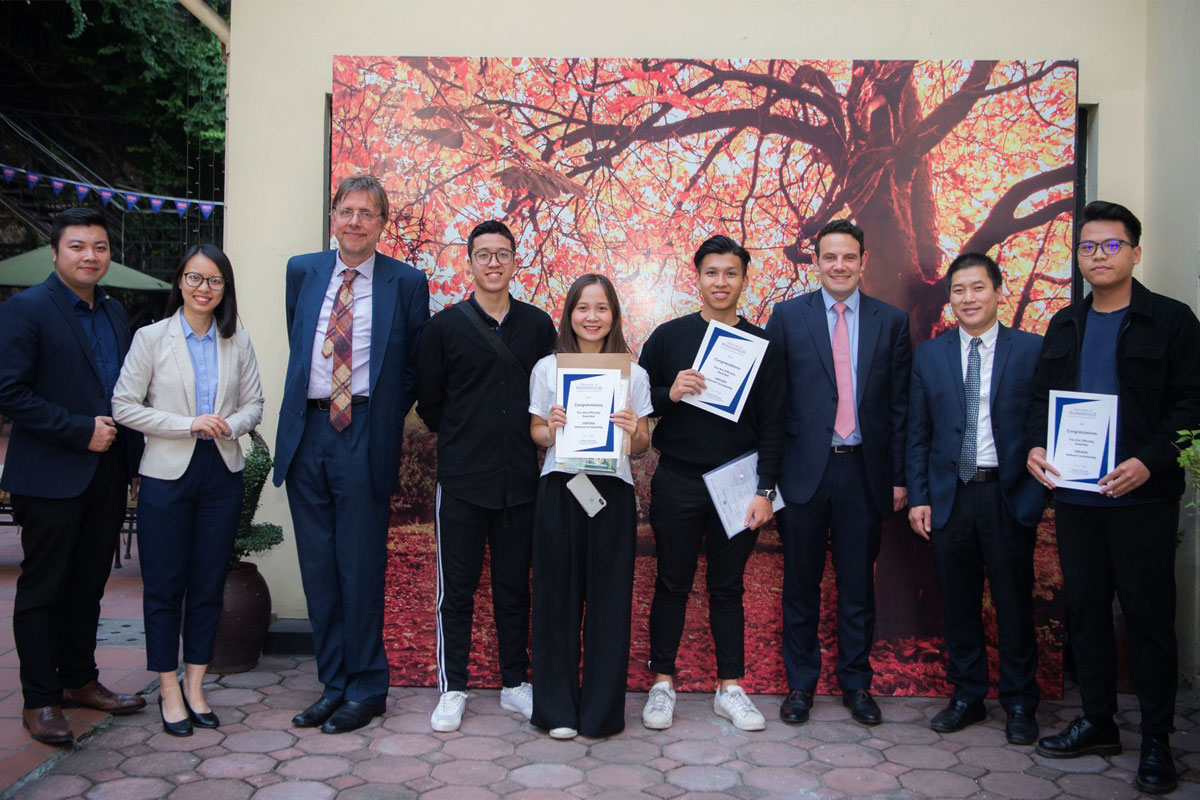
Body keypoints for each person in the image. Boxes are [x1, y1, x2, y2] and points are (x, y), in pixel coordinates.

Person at [1026, 201, 1200, 795]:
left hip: (1142, 502)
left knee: (1149, 617)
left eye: (1110, 245)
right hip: (1075, 500)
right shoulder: (1064, 324)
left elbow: (1192, 407)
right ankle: (1099, 721)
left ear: (1134, 252)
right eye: (1087, 247)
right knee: (1086, 612)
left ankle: (1156, 740)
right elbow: (1037, 406)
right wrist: (1033, 450)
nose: (1098, 256)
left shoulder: (1173, 322)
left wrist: (1147, 464)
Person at [274, 176, 429, 734]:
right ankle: (333, 684)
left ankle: (367, 687)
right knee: (318, 568)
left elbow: (413, 364)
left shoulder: (406, 282)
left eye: (368, 213)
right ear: (333, 217)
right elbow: (298, 341)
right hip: (306, 433)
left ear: (383, 224)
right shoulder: (302, 271)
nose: (356, 221)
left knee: (359, 567)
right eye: (347, 211)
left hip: (364, 430)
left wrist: (382, 416)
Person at [0, 207, 147, 744]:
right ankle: (40, 699)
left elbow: (125, 397)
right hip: (49, 475)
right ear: (56, 252)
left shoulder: (112, 313)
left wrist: (132, 465)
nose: (91, 256)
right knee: (44, 589)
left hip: (106, 472)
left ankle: (79, 680)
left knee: (89, 585)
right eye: (79, 246)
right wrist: (77, 430)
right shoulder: (26, 310)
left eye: (100, 247)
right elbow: (9, 392)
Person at [112, 245, 264, 737]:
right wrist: (186, 423)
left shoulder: (236, 339)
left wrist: (228, 425)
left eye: (215, 281)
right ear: (180, 282)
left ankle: (197, 684)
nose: (204, 289)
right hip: (165, 475)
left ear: (225, 289)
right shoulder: (151, 338)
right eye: (195, 279)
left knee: (206, 585)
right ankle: (169, 688)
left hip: (221, 473)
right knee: (163, 587)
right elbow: (123, 406)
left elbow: (254, 404)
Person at [765, 218, 910, 726]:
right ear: (817, 261)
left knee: (856, 588)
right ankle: (800, 686)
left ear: (862, 260)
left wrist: (899, 478)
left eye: (849, 257)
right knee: (800, 586)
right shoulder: (786, 317)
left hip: (864, 473)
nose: (840, 266)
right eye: (830, 257)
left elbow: (899, 408)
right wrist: (769, 479)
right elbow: (773, 403)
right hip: (804, 474)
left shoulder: (890, 321)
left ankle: (856, 685)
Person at [637, 235, 783, 732]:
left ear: (744, 279)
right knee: (671, 584)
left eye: (730, 273)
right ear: (696, 277)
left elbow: (776, 424)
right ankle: (661, 685)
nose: (721, 282)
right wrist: (667, 392)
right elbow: (636, 403)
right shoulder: (668, 335)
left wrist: (766, 492)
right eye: (711, 273)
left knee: (728, 588)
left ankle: (731, 688)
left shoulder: (762, 345)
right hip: (677, 479)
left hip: (738, 484)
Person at [416, 220, 555, 732]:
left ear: (516, 261)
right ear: (469, 262)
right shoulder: (443, 328)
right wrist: (467, 437)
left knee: (514, 588)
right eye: (483, 254)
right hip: (462, 483)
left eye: (502, 254)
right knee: (457, 590)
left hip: (521, 482)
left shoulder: (539, 326)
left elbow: (548, 399)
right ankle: (453, 688)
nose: (493, 263)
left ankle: (515, 684)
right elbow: (430, 404)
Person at [906, 252, 1044, 744]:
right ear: (950, 298)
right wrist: (919, 496)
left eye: (978, 288)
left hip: (1008, 496)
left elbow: (1041, 420)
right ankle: (967, 695)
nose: (968, 298)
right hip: (951, 497)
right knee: (958, 603)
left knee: (1012, 603)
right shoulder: (931, 354)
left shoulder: (1031, 351)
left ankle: (1020, 701)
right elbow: (918, 432)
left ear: (998, 291)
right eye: (959, 290)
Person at [528, 274, 652, 739]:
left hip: (611, 494)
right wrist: (553, 425)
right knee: (555, 600)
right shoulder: (548, 369)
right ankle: (557, 711)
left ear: (615, 315)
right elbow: (538, 435)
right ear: (570, 313)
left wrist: (632, 426)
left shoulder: (633, 374)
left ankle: (601, 715)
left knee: (609, 604)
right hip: (560, 488)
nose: (592, 317)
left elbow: (640, 445)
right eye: (583, 307)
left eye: (602, 308)